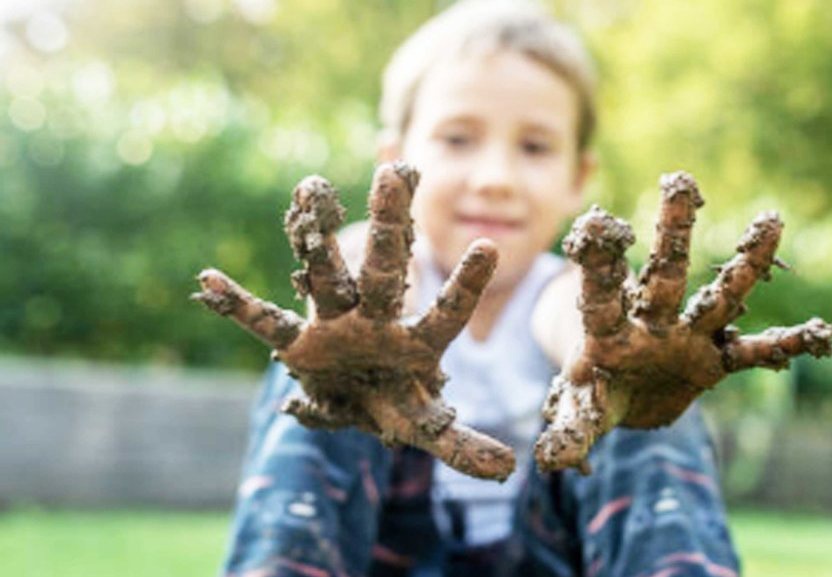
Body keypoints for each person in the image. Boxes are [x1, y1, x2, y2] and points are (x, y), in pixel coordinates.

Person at [222, 2, 740, 576]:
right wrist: (385, 317)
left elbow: (569, 315)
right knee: (334, 366)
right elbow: (366, 268)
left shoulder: (565, 293)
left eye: (535, 147)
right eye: (458, 139)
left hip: (545, 558)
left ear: (578, 178)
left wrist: (602, 355)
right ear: (394, 162)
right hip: (395, 552)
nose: (495, 178)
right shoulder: (383, 273)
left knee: (633, 375)